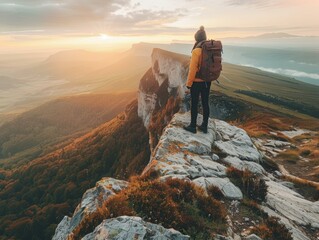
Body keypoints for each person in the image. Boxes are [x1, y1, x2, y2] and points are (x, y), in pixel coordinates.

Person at [184, 26, 211, 134]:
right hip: (207, 81)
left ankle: (192, 126)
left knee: (194, 103)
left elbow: (192, 69)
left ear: (196, 39)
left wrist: (189, 83)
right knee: (205, 102)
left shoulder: (196, 51)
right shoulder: (209, 49)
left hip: (196, 82)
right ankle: (204, 125)